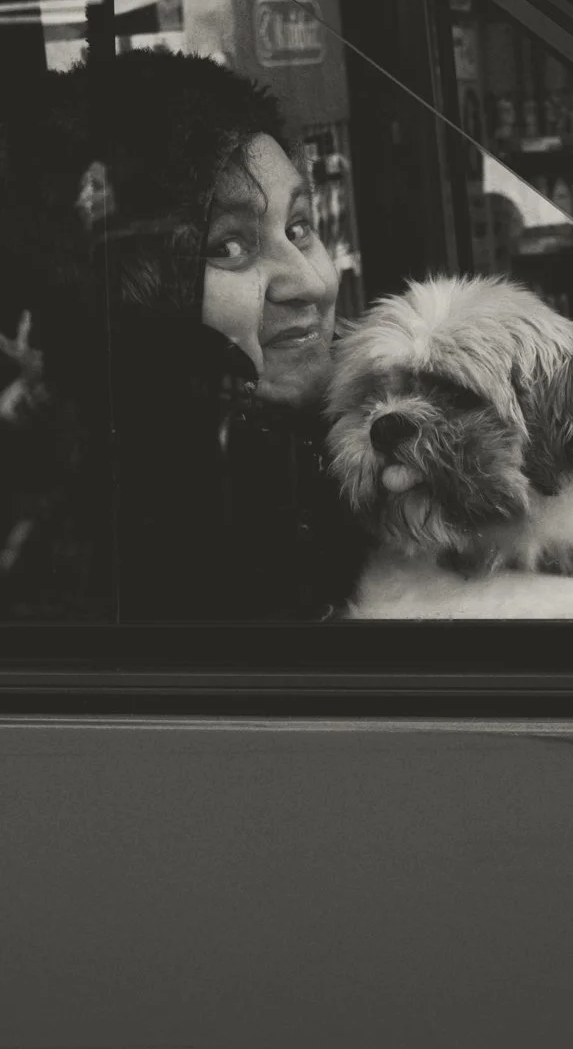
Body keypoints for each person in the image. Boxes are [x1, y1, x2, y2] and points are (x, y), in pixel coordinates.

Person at [18, 48, 367, 622]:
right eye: (229, 247)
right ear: (131, 295)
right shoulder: (138, 542)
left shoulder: (366, 451)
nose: (310, 282)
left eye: (299, 228)